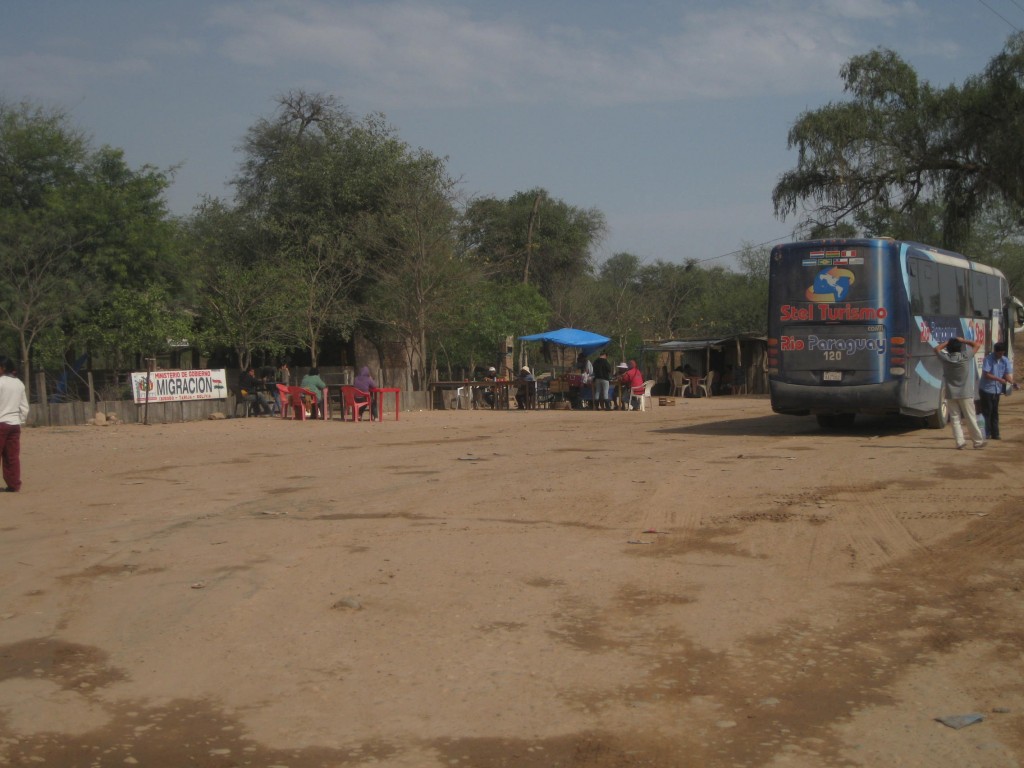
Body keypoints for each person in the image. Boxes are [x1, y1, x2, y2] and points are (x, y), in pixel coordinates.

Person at [934, 335, 985, 449]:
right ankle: (977, 441)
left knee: (955, 418)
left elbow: (936, 349)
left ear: (949, 348)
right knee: (970, 418)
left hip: (951, 393)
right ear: (960, 348)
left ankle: (960, 442)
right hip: (966, 393)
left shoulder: (946, 358)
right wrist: (963, 340)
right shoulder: (966, 356)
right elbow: (977, 345)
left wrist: (948, 342)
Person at [0, 357, 29, 492]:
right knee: (11, 456)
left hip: (1, 423)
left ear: (3, 368)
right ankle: (14, 484)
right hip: (14, 425)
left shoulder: (1, 382)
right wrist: (20, 421)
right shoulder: (19, 384)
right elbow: (24, 407)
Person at [979, 341, 1017, 439]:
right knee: (987, 412)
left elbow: (1006, 374)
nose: (1001, 355)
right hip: (987, 389)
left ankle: (995, 434)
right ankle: (986, 433)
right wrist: (999, 379)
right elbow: (985, 374)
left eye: (1002, 353)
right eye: (999, 353)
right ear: (995, 351)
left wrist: (1012, 382)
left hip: (996, 390)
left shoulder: (1005, 360)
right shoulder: (988, 359)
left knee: (995, 412)